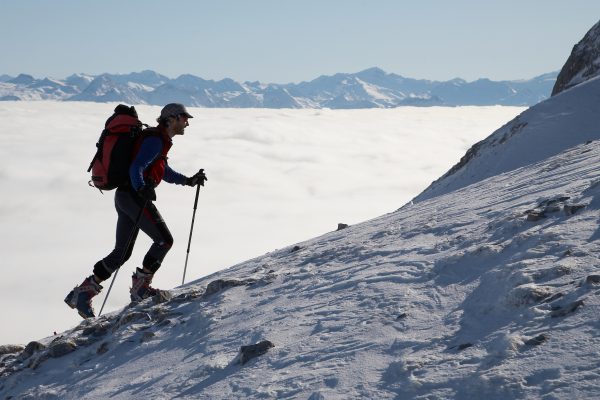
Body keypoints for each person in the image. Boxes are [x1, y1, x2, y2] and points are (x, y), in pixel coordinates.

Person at [65, 103, 207, 318]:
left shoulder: (158, 139)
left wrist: (188, 180)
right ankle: (141, 288)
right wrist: (141, 188)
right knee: (164, 241)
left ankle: (82, 293)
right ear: (172, 119)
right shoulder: (155, 139)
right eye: (184, 118)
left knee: (121, 252)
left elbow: (162, 170)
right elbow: (137, 167)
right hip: (133, 196)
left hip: (125, 196)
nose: (187, 122)